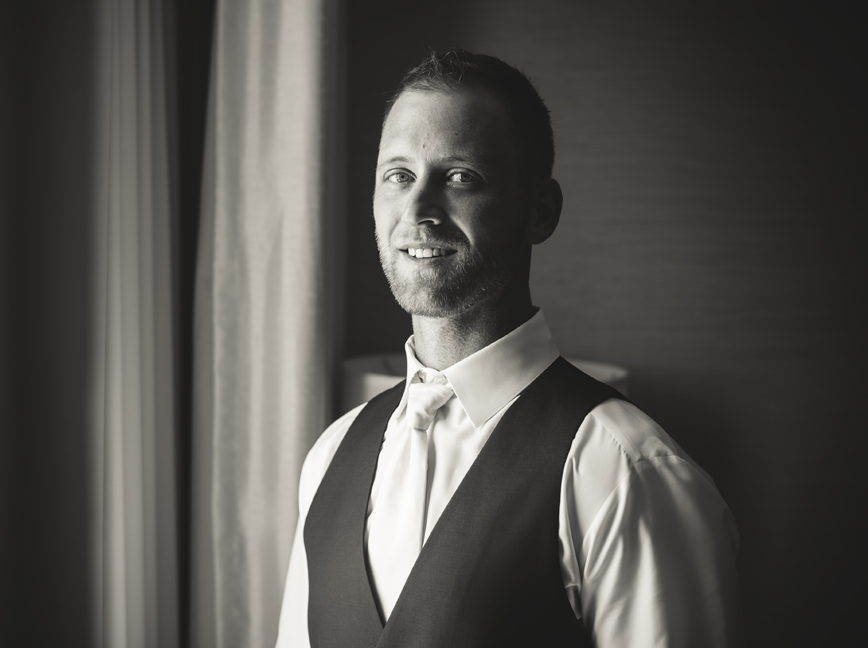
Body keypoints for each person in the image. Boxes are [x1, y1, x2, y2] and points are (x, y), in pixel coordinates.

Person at [276, 48, 743, 647]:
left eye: (460, 177)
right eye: (399, 175)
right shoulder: (329, 456)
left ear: (539, 212)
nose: (418, 210)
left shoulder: (622, 470)